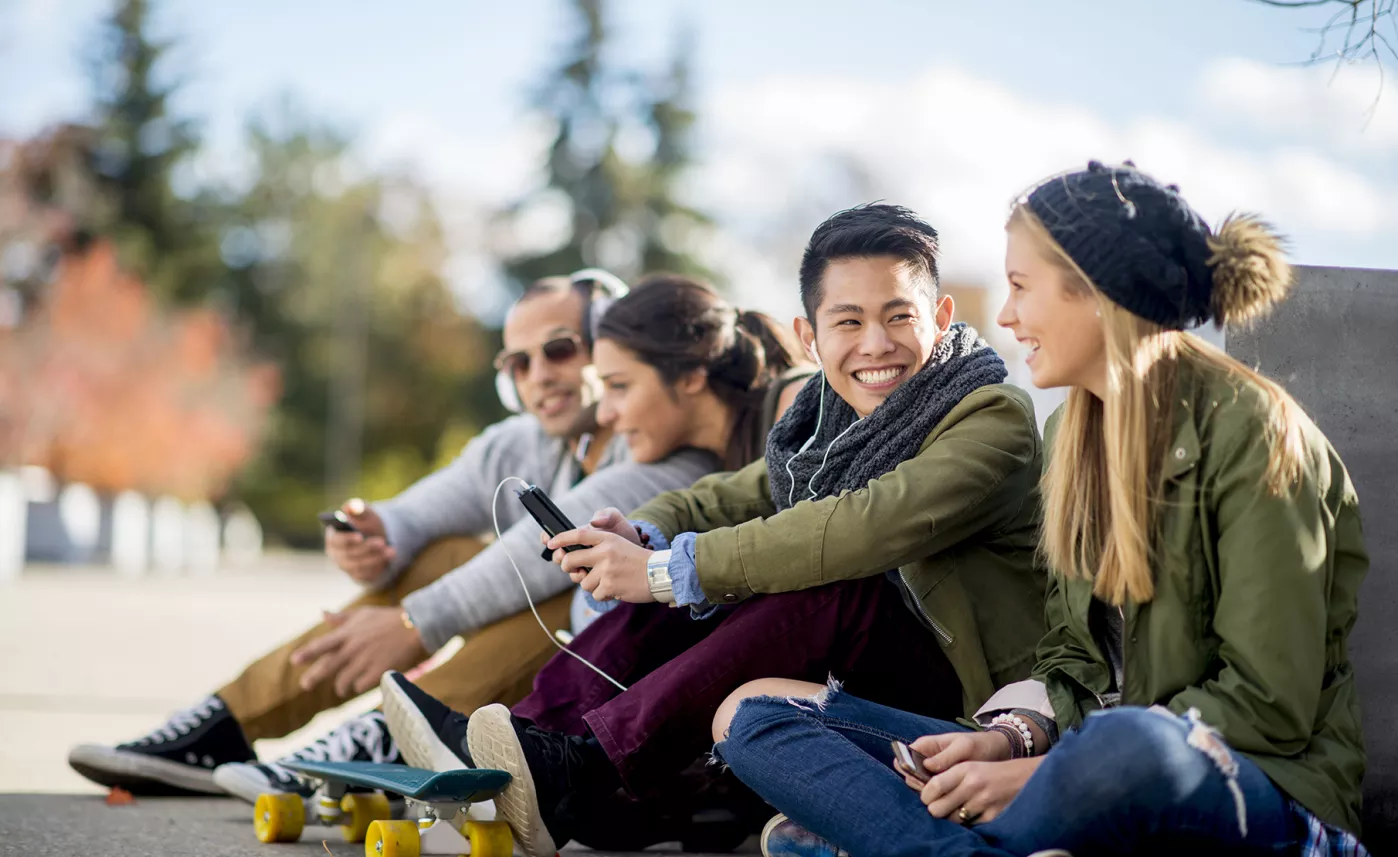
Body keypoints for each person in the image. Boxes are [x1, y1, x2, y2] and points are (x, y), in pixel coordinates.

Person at [713, 162, 1370, 857]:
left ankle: (899, 838)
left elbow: (1268, 704)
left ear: (1096, 293)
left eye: (1022, 286)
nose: (1005, 314)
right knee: (755, 713)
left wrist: (1040, 774)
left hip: (1252, 791)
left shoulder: (1256, 433)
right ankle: (959, 841)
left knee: (1129, 742)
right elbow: (1071, 662)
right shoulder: (1073, 434)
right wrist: (1002, 740)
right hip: (1082, 762)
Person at [382, 204, 1048, 857]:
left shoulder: (992, 416)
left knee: (815, 581)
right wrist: (645, 531)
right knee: (695, 566)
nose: (876, 343)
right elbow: (731, 494)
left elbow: (860, 527)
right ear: (811, 335)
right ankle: (528, 741)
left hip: (972, 711)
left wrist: (664, 571)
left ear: (940, 316)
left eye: (899, 315)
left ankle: (579, 769)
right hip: (870, 672)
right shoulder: (828, 419)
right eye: (849, 320)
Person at [66, 270, 718, 798]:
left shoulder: (663, 445)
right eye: (516, 363)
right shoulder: (523, 441)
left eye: (558, 349)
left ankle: (387, 737)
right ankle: (229, 722)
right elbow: (419, 511)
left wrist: (413, 625)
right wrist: (376, 535)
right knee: (440, 552)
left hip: (645, 683)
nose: (537, 375)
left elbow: (540, 549)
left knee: (551, 576)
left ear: (607, 347)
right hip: (588, 660)